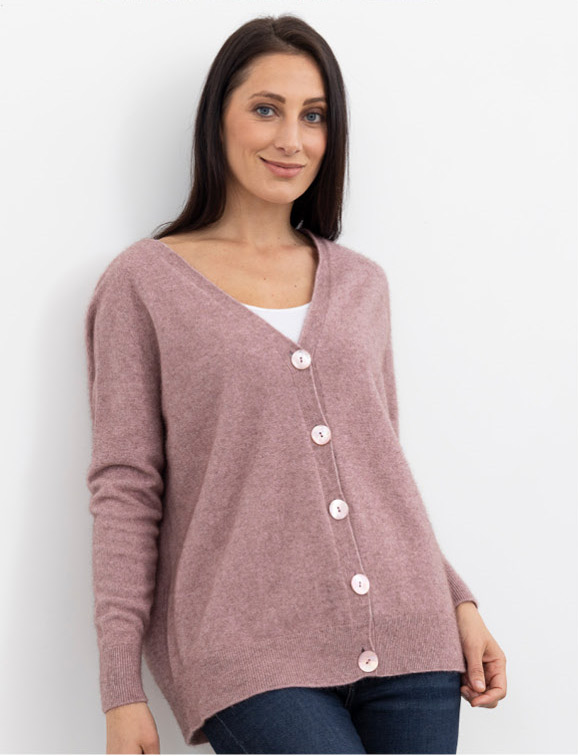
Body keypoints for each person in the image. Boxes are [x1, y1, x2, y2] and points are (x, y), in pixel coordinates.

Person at [84, 13, 507, 755]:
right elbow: (126, 489)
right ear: (218, 119)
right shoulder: (143, 285)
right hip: (248, 652)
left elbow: (378, 472)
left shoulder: (362, 285)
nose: (292, 139)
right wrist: (121, 689)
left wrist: (457, 600)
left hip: (413, 638)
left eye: (314, 116)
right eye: (266, 109)